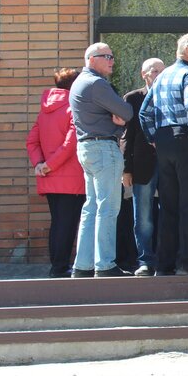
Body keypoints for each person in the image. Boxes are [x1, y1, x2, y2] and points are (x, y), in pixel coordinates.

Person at [139, 33, 188, 276]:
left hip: (164, 141)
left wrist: (154, 139)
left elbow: (144, 113)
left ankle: (164, 265)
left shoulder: (162, 77)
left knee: (168, 206)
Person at [69, 42, 133, 278]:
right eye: (107, 56)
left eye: (112, 55)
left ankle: (83, 265)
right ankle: (105, 265)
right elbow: (127, 112)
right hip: (103, 148)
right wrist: (119, 118)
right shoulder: (97, 83)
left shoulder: (79, 83)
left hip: (87, 147)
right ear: (91, 58)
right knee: (107, 208)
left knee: (92, 207)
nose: (112, 60)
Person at [26, 67, 84, 278]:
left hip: (49, 178)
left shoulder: (45, 111)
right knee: (67, 224)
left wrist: (40, 164)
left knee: (58, 222)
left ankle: (57, 266)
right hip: (71, 178)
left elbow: (32, 141)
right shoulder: (73, 107)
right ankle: (60, 268)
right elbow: (71, 143)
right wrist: (50, 164)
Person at [120, 57, 164, 277]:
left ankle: (165, 259)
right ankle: (145, 261)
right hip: (143, 165)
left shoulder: (171, 96)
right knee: (143, 216)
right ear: (144, 74)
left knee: (168, 213)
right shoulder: (133, 98)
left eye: (162, 71)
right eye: (154, 71)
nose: (159, 74)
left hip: (168, 164)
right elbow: (127, 136)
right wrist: (126, 169)